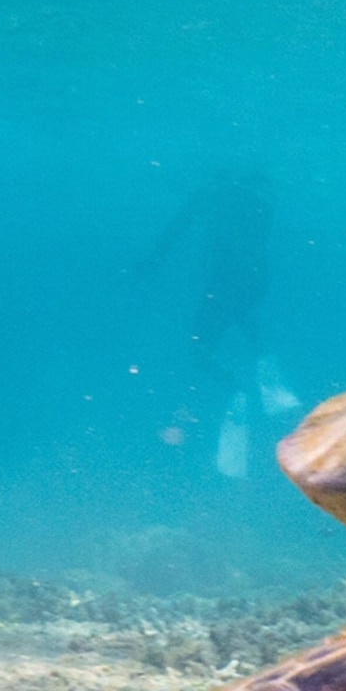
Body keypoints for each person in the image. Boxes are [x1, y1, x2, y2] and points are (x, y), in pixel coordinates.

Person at [136, 161, 297, 476]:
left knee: (200, 351)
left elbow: (177, 227)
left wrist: (152, 261)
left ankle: (237, 391)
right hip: (255, 281)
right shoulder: (260, 200)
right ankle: (269, 385)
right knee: (241, 317)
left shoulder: (213, 195)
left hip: (226, 280)